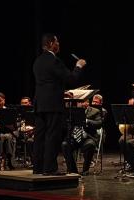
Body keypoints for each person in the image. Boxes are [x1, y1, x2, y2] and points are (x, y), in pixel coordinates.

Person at [33, 33, 86, 175]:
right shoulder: (54, 60)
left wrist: (61, 92)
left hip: (40, 103)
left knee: (40, 136)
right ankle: (49, 168)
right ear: (51, 43)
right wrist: (79, 66)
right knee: (52, 136)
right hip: (52, 105)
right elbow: (72, 78)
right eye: (57, 42)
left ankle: (37, 167)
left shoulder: (37, 61)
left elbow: (47, 83)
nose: (59, 44)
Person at [62, 94, 107, 176]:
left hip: (88, 137)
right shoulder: (73, 111)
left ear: (87, 102)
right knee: (65, 145)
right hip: (75, 137)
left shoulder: (95, 111)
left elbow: (99, 123)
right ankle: (73, 170)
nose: (81, 104)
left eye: (83, 102)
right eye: (79, 102)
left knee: (90, 144)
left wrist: (86, 121)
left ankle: (85, 170)